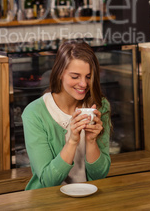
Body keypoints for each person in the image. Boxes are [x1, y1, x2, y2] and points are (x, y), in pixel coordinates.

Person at [22, 40, 111, 190]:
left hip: (89, 198)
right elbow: (48, 180)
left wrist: (91, 141)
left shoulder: (99, 106)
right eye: (75, 77)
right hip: (48, 201)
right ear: (59, 74)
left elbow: (100, 175)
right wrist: (72, 141)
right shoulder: (34, 113)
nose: (83, 84)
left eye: (88, 76)